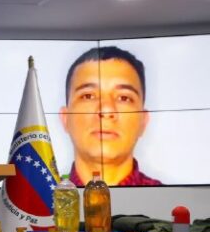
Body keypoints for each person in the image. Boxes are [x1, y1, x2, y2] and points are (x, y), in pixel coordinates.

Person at [59, 46, 161, 187]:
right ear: (65, 119)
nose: (106, 110)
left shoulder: (171, 199)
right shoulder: (40, 198)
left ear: (143, 122)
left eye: (124, 98)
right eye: (88, 96)